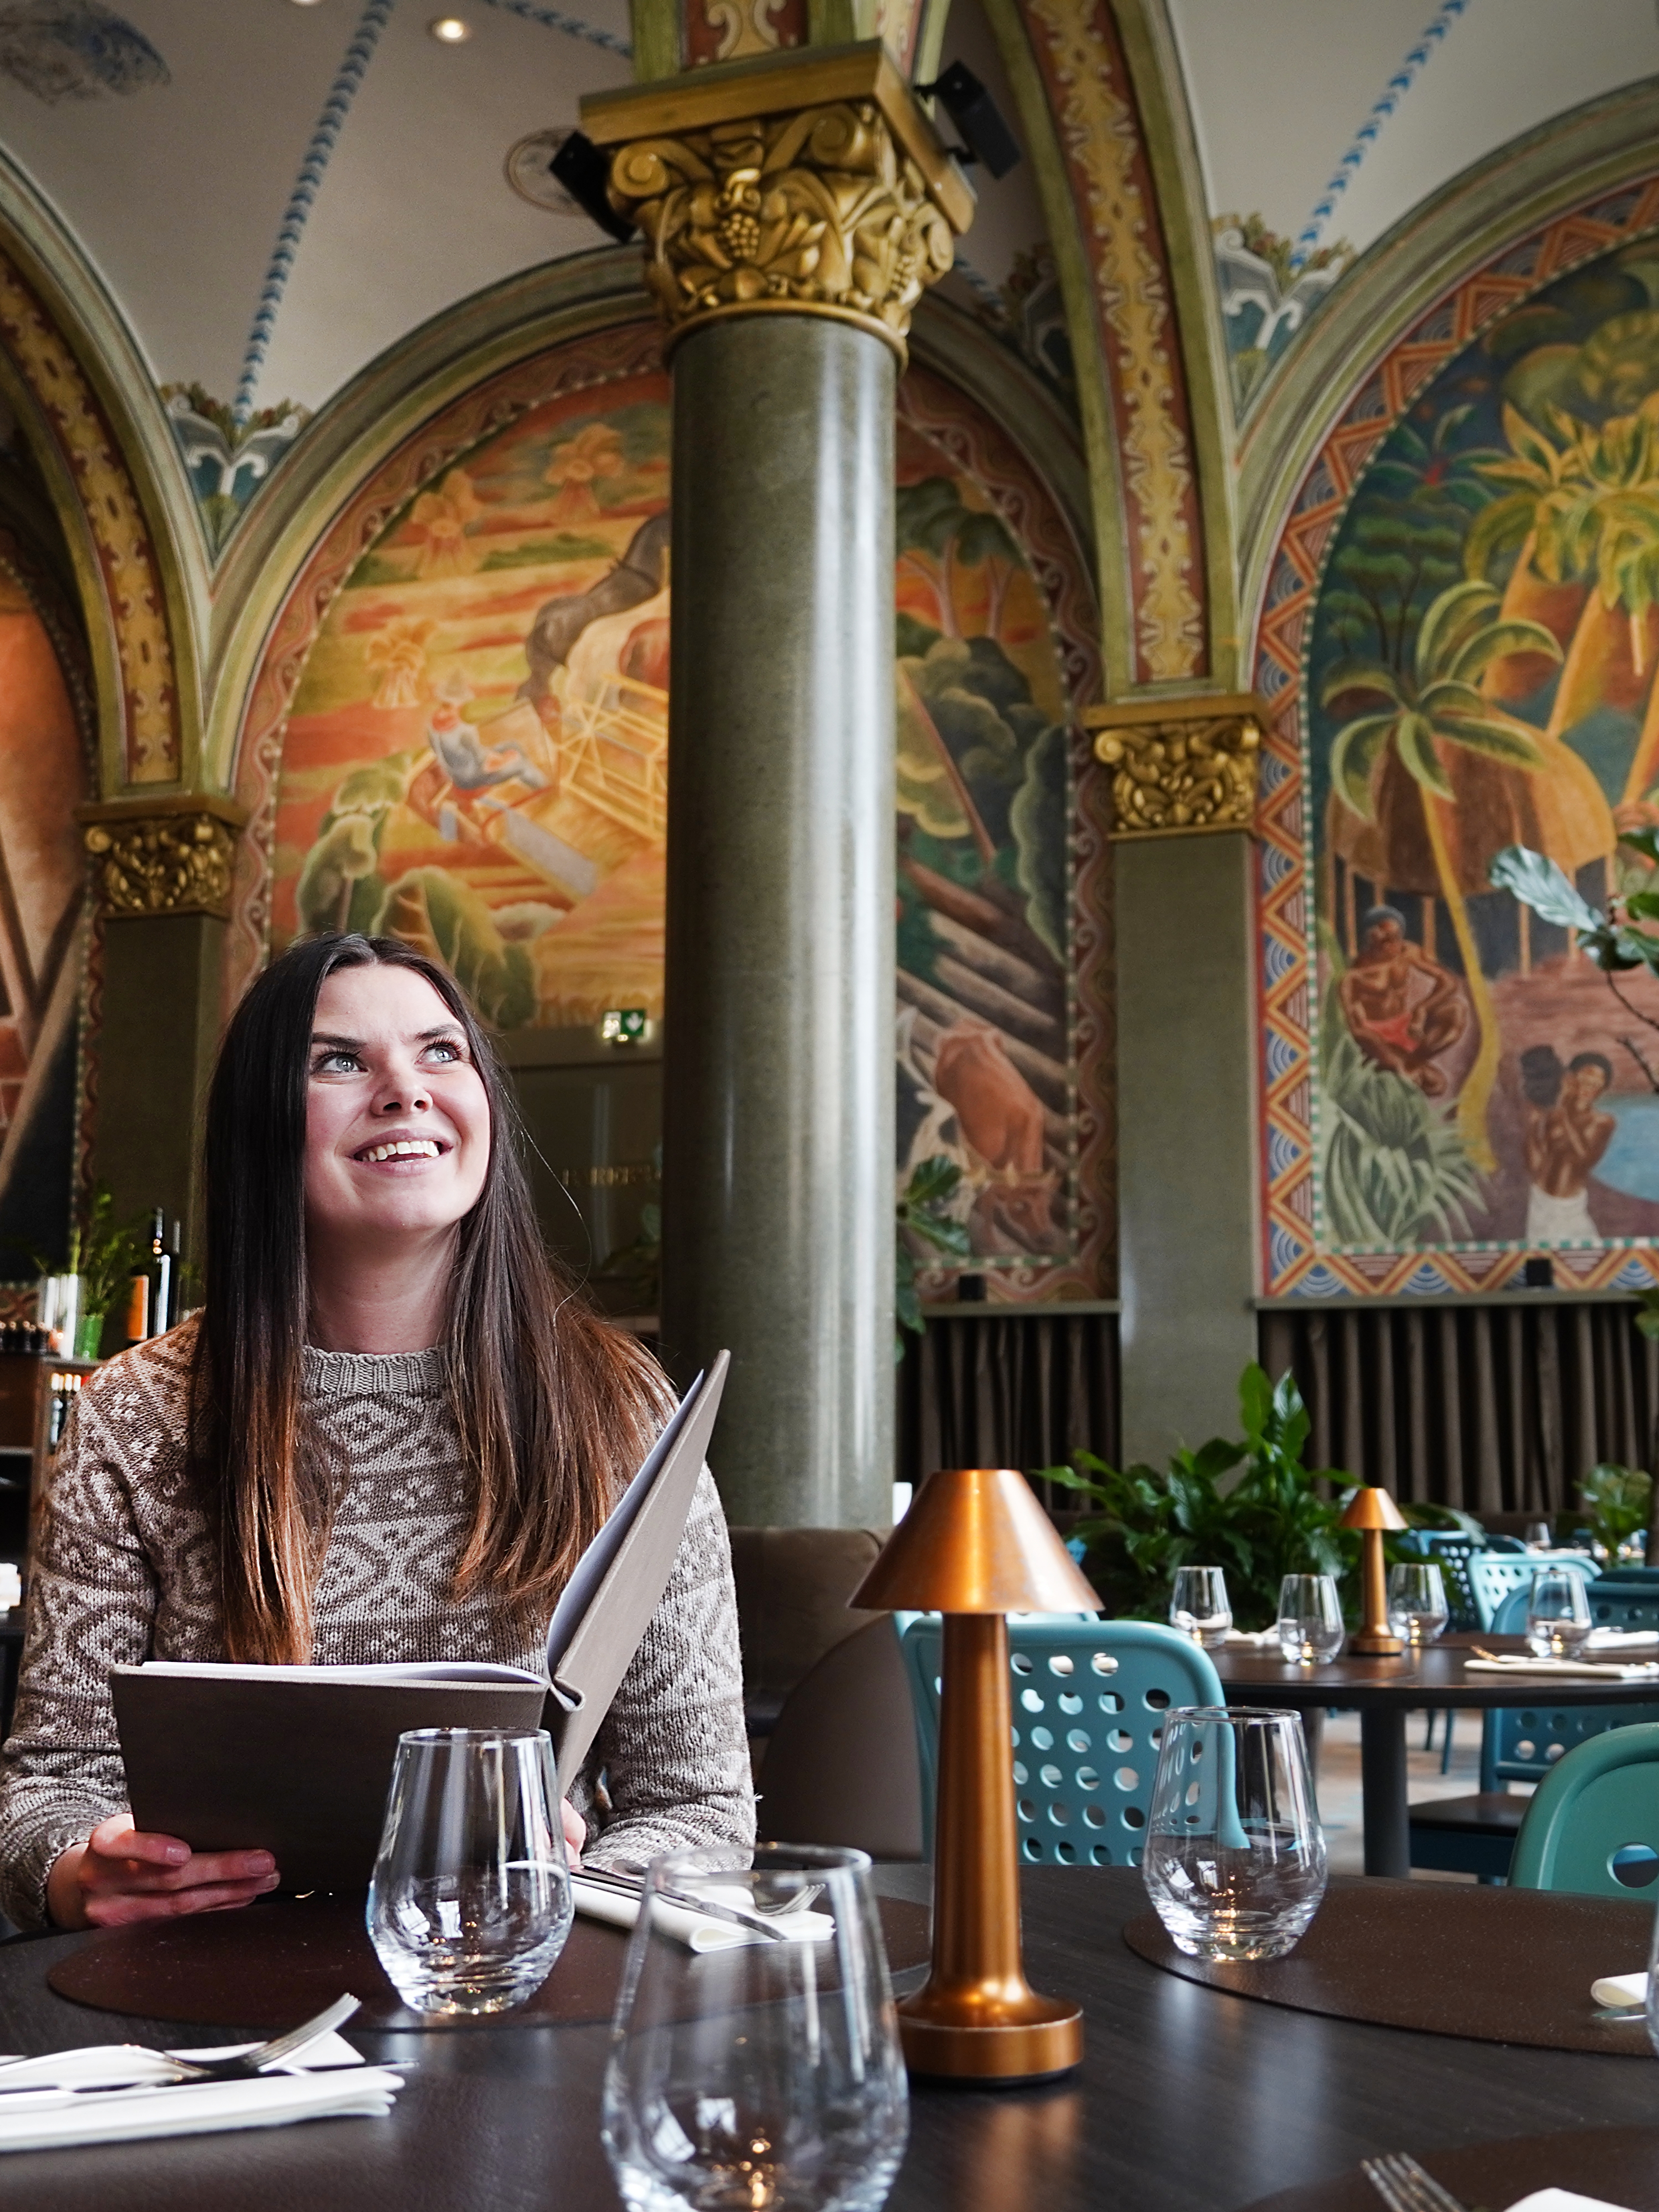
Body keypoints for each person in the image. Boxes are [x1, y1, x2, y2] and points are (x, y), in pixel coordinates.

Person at [0, 933, 753, 1931]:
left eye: (442, 1052)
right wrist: (78, 1870)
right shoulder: (135, 1414)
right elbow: (49, 1787)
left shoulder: (617, 1409)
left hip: (516, 2003)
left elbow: (696, 1806)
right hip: (215, 1999)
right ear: (260, 1125)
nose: (407, 1091)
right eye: (338, 1061)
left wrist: (567, 1892)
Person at [1338, 905, 1469, 1096]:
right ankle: (1405, 1066)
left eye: (1398, 937)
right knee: (1435, 1085)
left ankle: (1413, 1062)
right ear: (1373, 936)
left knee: (1456, 1010)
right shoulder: (1353, 977)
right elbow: (1355, 1028)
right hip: (1378, 1037)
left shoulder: (1408, 953)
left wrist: (1422, 1009)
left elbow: (1448, 982)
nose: (1396, 944)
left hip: (1407, 1026)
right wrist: (1380, 1049)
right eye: (1389, 939)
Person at [1522, 1046, 1616, 1245]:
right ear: (1571, 1079)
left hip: (1570, 1208)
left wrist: (1564, 1111)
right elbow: (1536, 1167)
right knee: (1543, 1262)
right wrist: (1532, 1129)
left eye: (1596, 1084)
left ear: (1603, 1088)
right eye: (1584, 1080)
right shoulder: (1553, 1118)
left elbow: (1584, 1159)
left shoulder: (1602, 1122)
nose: (1589, 1089)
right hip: (1540, 1202)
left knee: (1588, 1262)